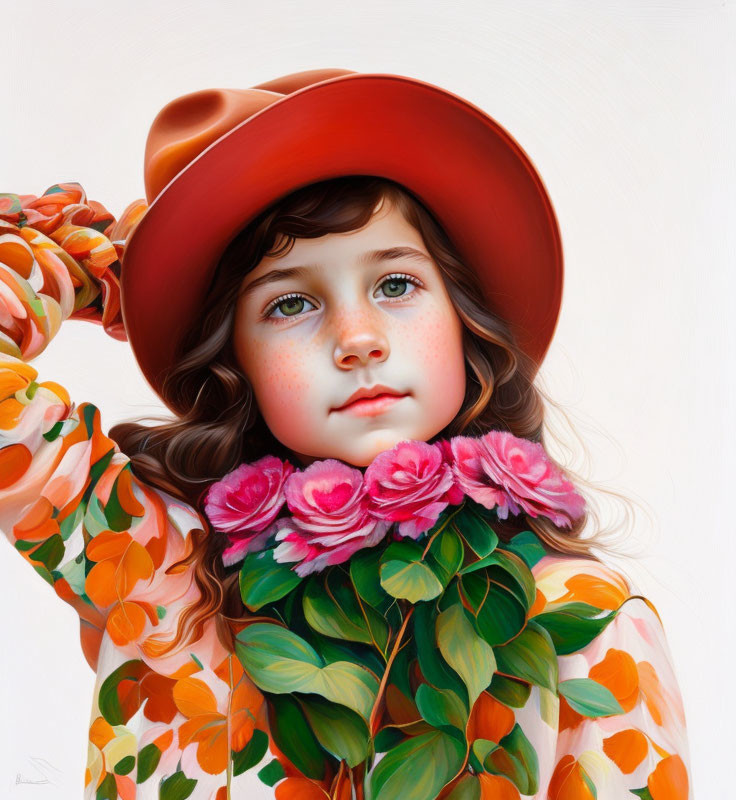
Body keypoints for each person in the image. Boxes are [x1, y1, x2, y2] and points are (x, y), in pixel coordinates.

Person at [0, 69, 692, 799]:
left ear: (464, 319)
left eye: (395, 285)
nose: (357, 339)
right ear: (234, 360)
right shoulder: (158, 569)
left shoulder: (586, 622)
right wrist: (83, 268)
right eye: (291, 303)